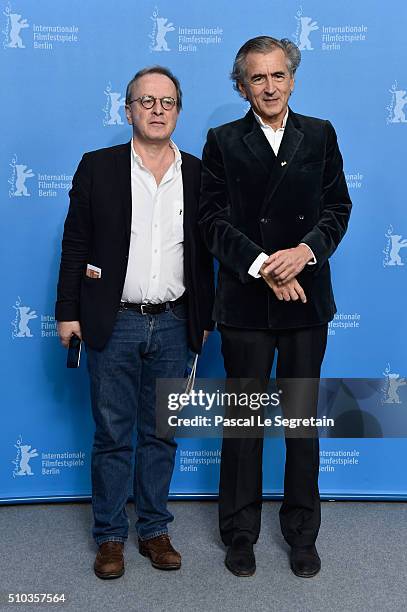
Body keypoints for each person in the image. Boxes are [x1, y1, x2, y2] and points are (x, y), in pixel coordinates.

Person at [199, 36, 352, 578]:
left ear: (293, 78)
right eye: (257, 78)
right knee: (243, 424)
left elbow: (338, 207)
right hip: (245, 305)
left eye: (278, 75)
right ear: (242, 85)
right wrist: (266, 266)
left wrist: (303, 253)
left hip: (307, 300)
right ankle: (240, 533)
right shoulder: (221, 140)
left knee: (301, 422)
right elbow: (212, 221)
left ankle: (301, 533)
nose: (269, 86)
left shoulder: (322, 133)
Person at [55, 66, 214, 579]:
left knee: (161, 435)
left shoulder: (197, 173)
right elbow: (75, 244)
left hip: (175, 322)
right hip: (113, 321)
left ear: (178, 111)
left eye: (167, 102)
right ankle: (109, 536)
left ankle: (153, 529)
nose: (157, 110)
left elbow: (206, 255)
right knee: (112, 434)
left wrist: (203, 318)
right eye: (146, 101)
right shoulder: (97, 168)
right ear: (128, 110)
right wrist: (68, 312)